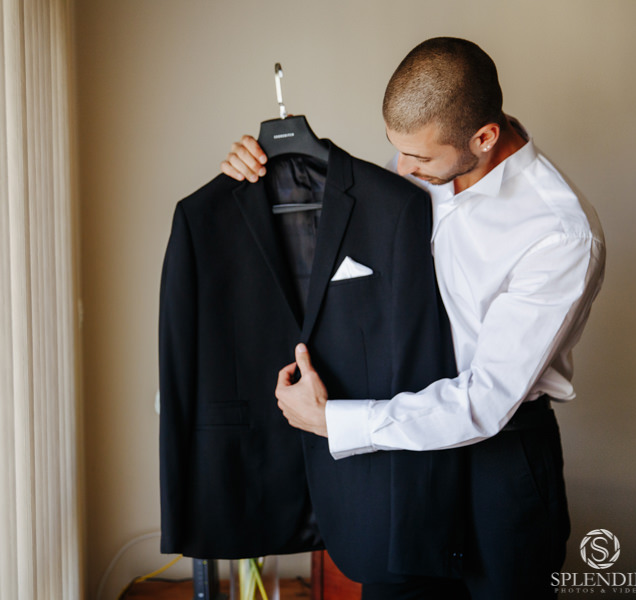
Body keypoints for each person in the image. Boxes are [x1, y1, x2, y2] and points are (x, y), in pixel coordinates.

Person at [221, 37, 605, 599]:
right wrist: (256, 173)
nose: (400, 169)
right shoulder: (414, 170)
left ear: (484, 138)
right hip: (398, 451)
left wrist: (336, 422)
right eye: (395, 151)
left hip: (500, 464)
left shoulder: (559, 233)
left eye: (420, 158)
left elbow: (485, 400)